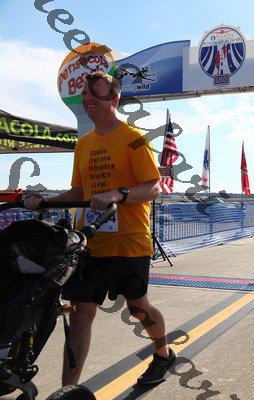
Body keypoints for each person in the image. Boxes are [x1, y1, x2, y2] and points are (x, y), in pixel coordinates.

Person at [24, 71, 175, 386]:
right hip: (90, 243)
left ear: (114, 98)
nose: (88, 98)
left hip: (129, 243)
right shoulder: (84, 144)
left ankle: (163, 354)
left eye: (96, 93)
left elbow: (153, 187)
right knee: (81, 311)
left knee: (138, 308)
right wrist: (44, 202)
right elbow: (78, 192)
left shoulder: (134, 138)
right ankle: (69, 390)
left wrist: (118, 194)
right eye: (85, 94)